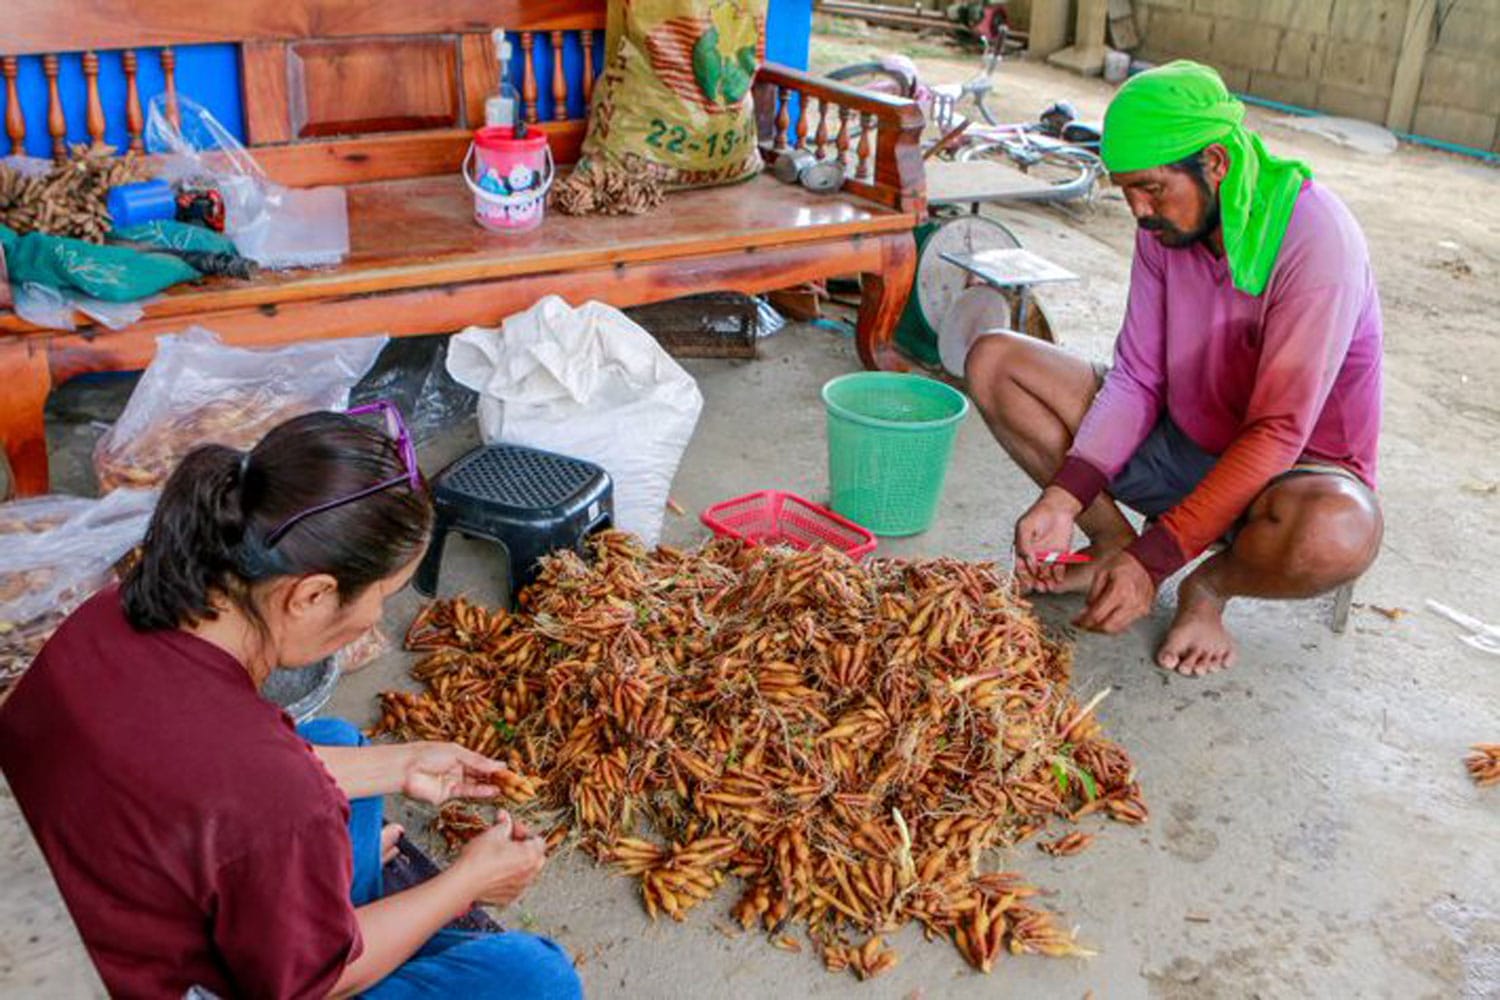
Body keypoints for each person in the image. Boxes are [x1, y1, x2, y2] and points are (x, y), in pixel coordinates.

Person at [0, 405, 582, 998]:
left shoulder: (115, 609)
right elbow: (312, 981)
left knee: (335, 743)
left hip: (79, 894)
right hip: (136, 981)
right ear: (310, 595)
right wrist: (465, 883)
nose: (377, 618)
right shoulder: (276, 800)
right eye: (381, 596)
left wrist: (407, 762)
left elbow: (210, 781)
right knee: (535, 977)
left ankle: (336, 913)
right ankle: (350, 923)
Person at [965, 61, 1383, 676]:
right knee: (996, 361)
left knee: (1338, 533)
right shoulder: (1165, 229)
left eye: (1153, 189)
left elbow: (1276, 431)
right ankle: (1113, 545)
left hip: (1290, 477)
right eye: (1127, 190)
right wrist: (1063, 498)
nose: (1139, 211)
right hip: (1186, 441)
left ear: (1215, 163)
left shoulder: (1316, 239)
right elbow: (1137, 376)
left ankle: (1209, 588)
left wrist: (1157, 563)